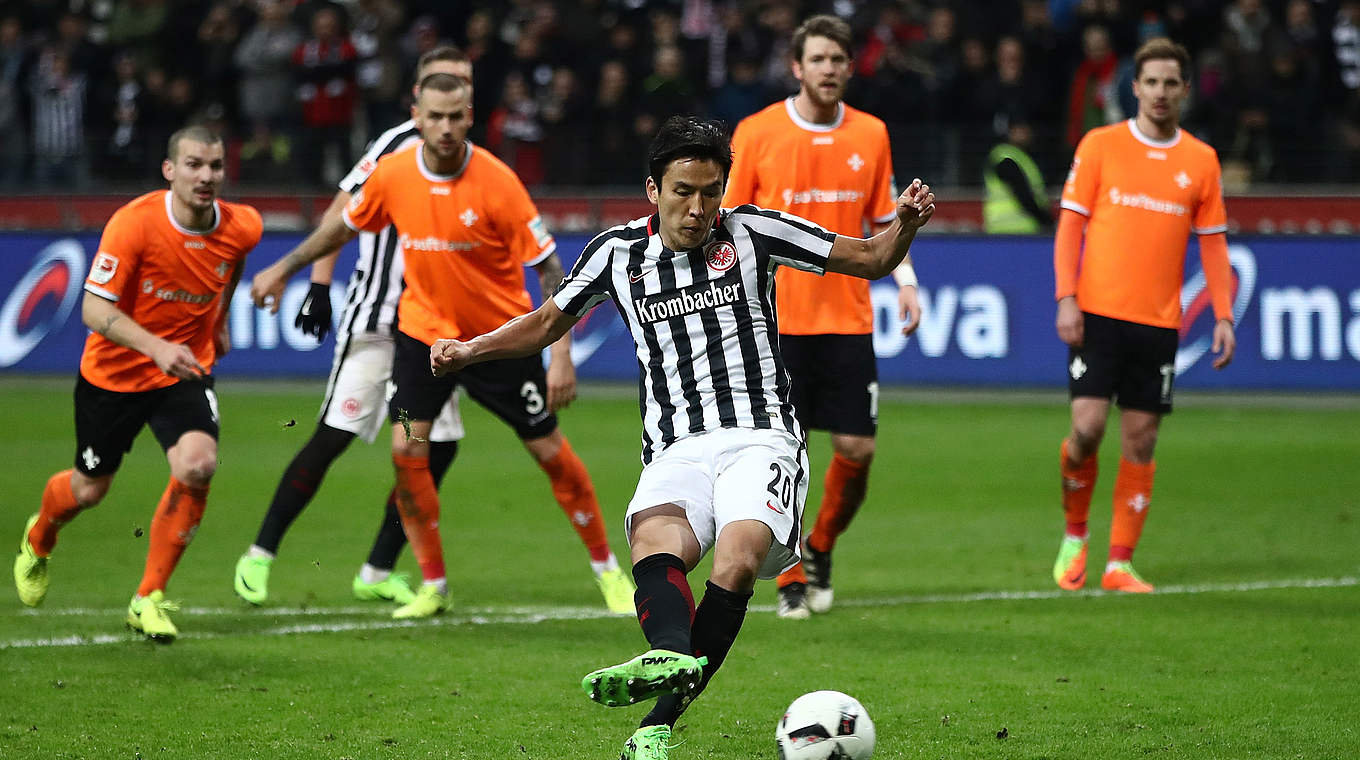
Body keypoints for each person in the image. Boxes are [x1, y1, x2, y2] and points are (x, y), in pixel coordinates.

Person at [429, 116, 935, 760]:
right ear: (652, 190)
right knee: (652, 543)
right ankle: (668, 665)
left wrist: (907, 223)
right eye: (683, 192)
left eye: (710, 192)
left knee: (738, 556)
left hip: (762, 436)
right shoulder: (616, 255)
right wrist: (471, 351)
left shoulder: (753, 231)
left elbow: (868, 258)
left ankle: (659, 718)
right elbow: (547, 322)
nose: (698, 209)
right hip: (675, 447)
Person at [249, 71, 633, 620]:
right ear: (417, 115)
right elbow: (342, 227)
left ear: (470, 115)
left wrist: (561, 354)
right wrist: (285, 268)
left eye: (457, 116)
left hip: (497, 343)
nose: (447, 128)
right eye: (436, 117)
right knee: (408, 449)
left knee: (549, 452)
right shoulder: (394, 173)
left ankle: (608, 571)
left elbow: (550, 269)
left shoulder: (498, 182)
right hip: (423, 341)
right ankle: (433, 583)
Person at [232, 46, 474, 611]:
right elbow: (342, 213)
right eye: (439, 92)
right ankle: (260, 553)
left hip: (433, 328)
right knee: (334, 436)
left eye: (461, 88)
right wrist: (319, 285)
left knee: (436, 450)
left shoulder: (472, 160)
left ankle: (376, 568)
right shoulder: (392, 147)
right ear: (418, 98)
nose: (448, 105)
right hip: (378, 321)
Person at [12, 126, 262, 642]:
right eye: (193, 165)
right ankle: (39, 538)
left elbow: (231, 265)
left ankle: (147, 596)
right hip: (114, 374)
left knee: (198, 464)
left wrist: (219, 321)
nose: (206, 176)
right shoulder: (134, 225)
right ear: (169, 170)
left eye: (215, 166)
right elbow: (94, 309)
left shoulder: (244, 225)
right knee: (89, 489)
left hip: (185, 369)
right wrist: (156, 348)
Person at [722, 14, 922, 619]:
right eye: (818, 60)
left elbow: (884, 217)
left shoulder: (871, 133)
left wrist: (906, 280)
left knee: (857, 449)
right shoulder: (757, 133)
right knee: (785, 456)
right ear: (796, 67)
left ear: (849, 66)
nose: (829, 69)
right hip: (774, 324)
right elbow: (730, 220)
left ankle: (821, 546)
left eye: (838, 60)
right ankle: (789, 577)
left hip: (848, 317)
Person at [1052, 38, 1236, 594]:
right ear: (1134, 87)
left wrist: (1223, 314)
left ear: (1185, 91)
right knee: (1086, 430)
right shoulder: (1102, 144)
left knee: (1142, 439)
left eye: (1170, 83)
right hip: (1098, 315)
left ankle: (1119, 564)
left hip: (1158, 322)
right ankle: (1076, 535)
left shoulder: (1200, 159)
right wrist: (1066, 297)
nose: (1159, 92)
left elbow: (1213, 245)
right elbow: (1069, 227)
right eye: (1150, 82)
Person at [983, 120, 1053, 234]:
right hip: (1014, 230)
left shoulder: (1015, 156)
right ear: (1010, 131)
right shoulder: (1006, 159)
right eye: (1021, 129)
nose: (1027, 133)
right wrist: (1046, 220)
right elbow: (1023, 194)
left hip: (1006, 229)